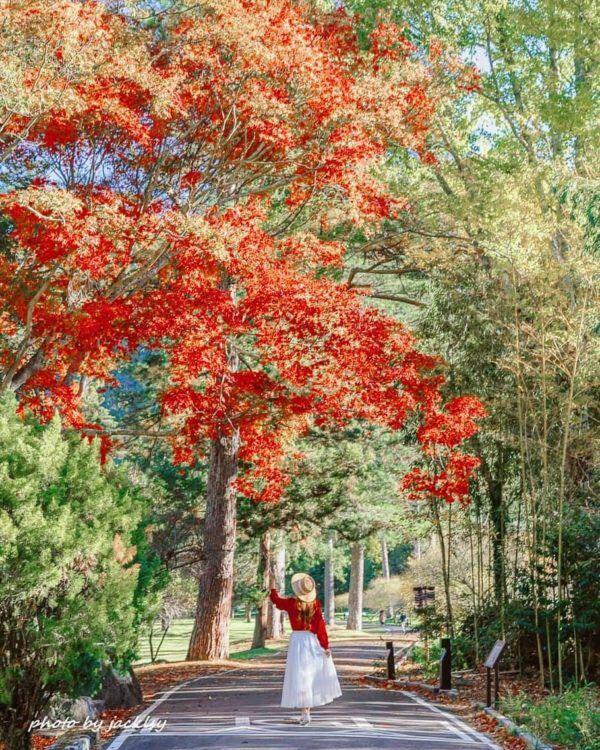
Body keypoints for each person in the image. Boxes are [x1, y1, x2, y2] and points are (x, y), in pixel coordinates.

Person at [270, 572, 342, 725]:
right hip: (311, 640)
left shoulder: (291, 603)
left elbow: (276, 600)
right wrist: (325, 646)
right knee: (309, 675)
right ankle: (306, 712)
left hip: (297, 641)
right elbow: (320, 627)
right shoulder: (315, 605)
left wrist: (272, 587)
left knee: (299, 675)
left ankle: (305, 712)